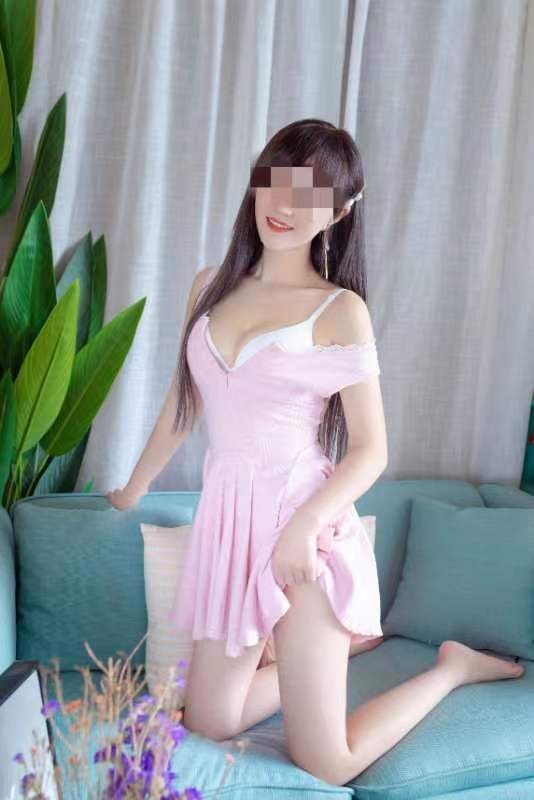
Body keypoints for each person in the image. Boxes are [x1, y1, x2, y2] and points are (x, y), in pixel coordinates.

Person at [106, 118, 524, 786]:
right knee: (208, 722)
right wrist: (133, 487)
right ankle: (321, 658)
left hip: (306, 539)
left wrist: (304, 526)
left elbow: (371, 449)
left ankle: (451, 669)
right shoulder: (209, 286)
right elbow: (184, 405)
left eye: (312, 195)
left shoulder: (337, 310)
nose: (285, 205)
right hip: (231, 531)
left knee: (327, 762)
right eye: (277, 182)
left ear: (339, 212)